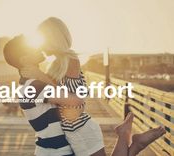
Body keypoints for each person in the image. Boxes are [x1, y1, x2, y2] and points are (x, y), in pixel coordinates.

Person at [20, 17, 166, 156]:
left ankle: (129, 138)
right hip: (72, 129)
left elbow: (76, 99)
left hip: (79, 128)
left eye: (43, 41)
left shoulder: (70, 59)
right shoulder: (56, 64)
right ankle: (134, 141)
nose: (40, 46)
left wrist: (39, 75)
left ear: (53, 39)